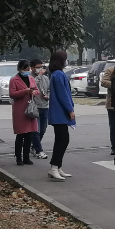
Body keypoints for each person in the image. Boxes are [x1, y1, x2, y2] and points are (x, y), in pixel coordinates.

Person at [47, 50, 75, 182]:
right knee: (63, 140)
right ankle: (54, 168)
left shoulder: (56, 74)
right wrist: (70, 110)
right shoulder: (58, 74)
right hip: (60, 113)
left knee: (61, 139)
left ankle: (57, 167)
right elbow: (63, 95)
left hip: (59, 113)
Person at [9, 59, 39, 167]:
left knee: (29, 134)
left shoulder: (31, 78)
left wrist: (33, 92)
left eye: (28, 69)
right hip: (20, 109)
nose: (27, 71)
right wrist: (25, 91)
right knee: (21, 134)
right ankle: (18, 157)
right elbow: (12, 93)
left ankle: (26, 157)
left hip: (30, 108)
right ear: (19, 69)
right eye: (25, 69)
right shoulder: (14, 80)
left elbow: (37, 90)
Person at [29, 58, 49, 159]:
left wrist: (48, 96)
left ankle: (33, 146)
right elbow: (33, 85)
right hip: (35, 107)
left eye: (42, 67)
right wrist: (40, 75)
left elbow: (49, 89)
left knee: (43, 129)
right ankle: (38, 150)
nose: (40, 69)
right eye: (38, 67)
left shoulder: (45, 78)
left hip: (44, 106)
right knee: (36, 130)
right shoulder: (30, 78)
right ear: (32, 68)